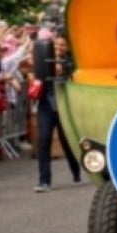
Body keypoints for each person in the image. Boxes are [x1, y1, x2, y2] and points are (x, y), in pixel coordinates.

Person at [35, 35, 81, 192]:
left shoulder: (70, 62)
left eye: (62, 46)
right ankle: (44, 181)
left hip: (63, 108)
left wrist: (63, 70)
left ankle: (76, 171)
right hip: (46, 106)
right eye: (55, 46)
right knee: (43, 140)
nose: (58, 49)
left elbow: (73, 78)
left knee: (66, 142)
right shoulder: (43, 62)